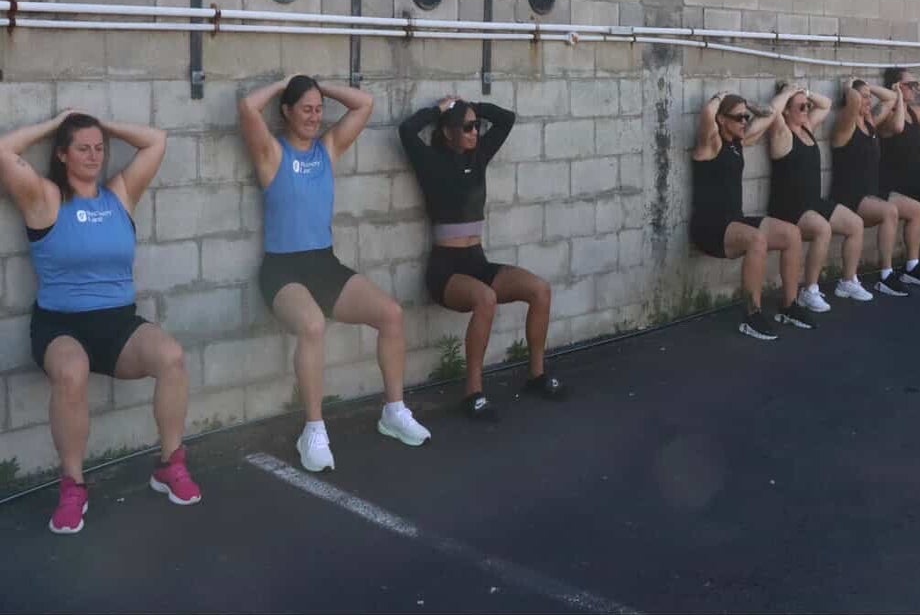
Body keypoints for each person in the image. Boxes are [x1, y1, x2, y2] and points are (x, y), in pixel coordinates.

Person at [0, 110, 201, 534]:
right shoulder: (45, 198)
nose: (94, 155)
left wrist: (102, 125)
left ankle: (170, 463)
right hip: (60, 326)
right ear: (61, 154)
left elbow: (157, 139)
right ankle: (73, 486)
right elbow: (4, 151)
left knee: (172, 357)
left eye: (99, 148)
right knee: (72, 371)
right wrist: (59, 120)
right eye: (82, 148)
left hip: (118, 325)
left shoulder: (120, 195)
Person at [239, 75, 430, 473]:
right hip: (282, 270)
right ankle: (313, 430)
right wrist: (284, 83)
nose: (314, 116)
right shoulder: (272, 153)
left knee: (391, 314)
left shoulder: (327, 150)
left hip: (324, 264)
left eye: (318, 109)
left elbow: (365, 104)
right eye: (305, 109)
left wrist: (321, 87)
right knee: (312, 325)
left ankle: (394, 411)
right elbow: (247, 107)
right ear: (286, 112)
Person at [399, 95, 564, 422]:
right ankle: (473, 393)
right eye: (467, 127)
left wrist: (472, 105)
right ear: (448, 132)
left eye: (476, 126)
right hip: (445, 270)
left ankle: (537, 375)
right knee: (485, 299)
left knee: (540, 290)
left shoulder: (478, 157)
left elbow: (506, 119)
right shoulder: (430, 161)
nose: (475, 132)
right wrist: (438, 110)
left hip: (477, 262)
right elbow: (406, 130)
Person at [691, 92, 815, 340]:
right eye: (738, 118)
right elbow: (707, 114)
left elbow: (770, 113)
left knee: (792, 233)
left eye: (745, 117)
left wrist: (748, 105)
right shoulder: (710, 144)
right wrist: (720, 96)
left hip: (734, 222)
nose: (744, 122)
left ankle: (789, 306)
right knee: (757, 239)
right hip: (710, 228)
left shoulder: (739, 142)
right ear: (722, 120)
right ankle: (752, 315)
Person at [767, 83, 873, 310]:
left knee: (855, 224)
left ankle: (848, 281)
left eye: (807, 106)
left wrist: (804, 92)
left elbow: (826, 104)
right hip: (788, 206)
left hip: (812, 202)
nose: (807, 109)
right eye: (801, 107)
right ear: (787, 111)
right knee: (823, 229)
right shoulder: (781, 132)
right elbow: (773, 110)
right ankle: (809, 290)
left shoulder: (807, 128)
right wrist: (787, 93)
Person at [829, 79, 916, 297]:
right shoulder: (845, 126)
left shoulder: (870, 123)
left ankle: (913, 266)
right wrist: (850, 87)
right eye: (864, 97)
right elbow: (853, 100)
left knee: (915, 208)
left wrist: (869, 86)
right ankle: (885, 275)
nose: (869, 101)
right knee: (889, 211)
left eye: (869, 97)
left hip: (872, 193)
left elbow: (890, 98)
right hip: (849, 195)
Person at [875, 68, 920, 287]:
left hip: (913, 180)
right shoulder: (887, 115)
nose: (915, 89)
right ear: (896, 87)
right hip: (892, 183)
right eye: (910, 85)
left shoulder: (915, 112)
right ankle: (893, 271)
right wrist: (897, 97)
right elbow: (897, 127)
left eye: (916, 85)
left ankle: (918, 264)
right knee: (919, 206)